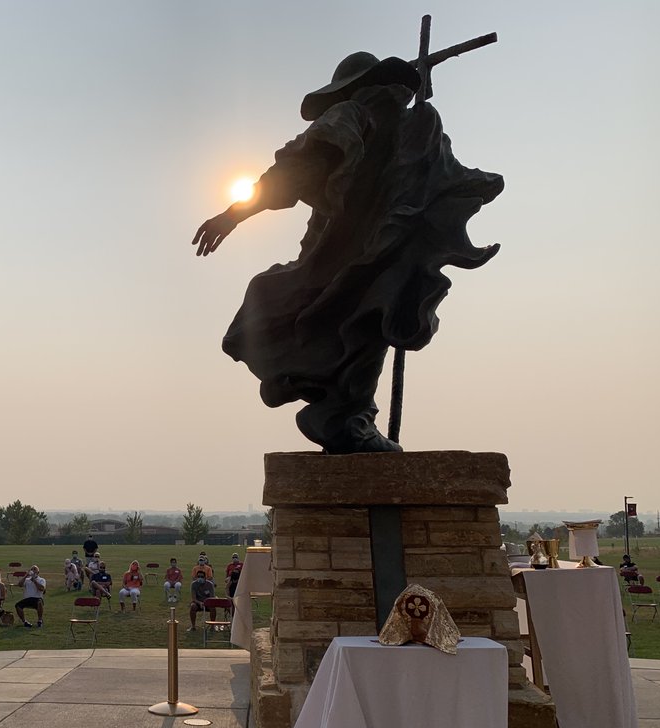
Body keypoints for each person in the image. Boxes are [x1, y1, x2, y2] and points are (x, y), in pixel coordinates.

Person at [194, 51, 502, 453]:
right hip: (359, 255)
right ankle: (343, 415)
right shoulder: (361, 116)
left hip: (385, 249)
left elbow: (435, 180)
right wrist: (234, 214)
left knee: (366, 327)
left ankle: (348, 416)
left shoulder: (417, 126)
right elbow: (294, 174)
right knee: (346, 323)